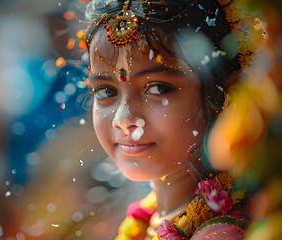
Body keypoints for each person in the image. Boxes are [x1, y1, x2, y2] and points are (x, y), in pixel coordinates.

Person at [81, 0, 260, 239]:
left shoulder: (222, 234)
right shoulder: (151, 219)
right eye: (106, 91)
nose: (123, 119)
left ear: (225, 92)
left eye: (158, 89)